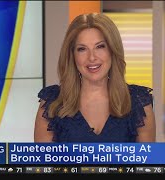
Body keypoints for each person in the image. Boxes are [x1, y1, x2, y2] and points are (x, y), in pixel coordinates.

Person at [34, 13, 156, 142]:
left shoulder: (138, 102)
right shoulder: (52, 103)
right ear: (72, 56)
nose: (92, 57)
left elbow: (148, 160)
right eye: (82, 49)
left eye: (100, 47)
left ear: (112, 50)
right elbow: (43, 160)